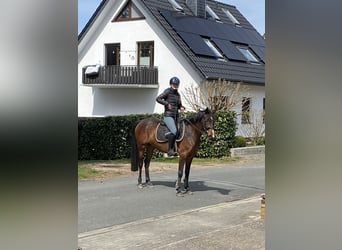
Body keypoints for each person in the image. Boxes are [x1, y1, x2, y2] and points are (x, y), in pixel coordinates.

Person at [156, 76, 185, 156]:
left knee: (179, 131)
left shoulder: (178, 94)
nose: (175, 86)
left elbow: (179, 105)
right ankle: (170, 150)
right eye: (174, 84)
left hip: (176, 116)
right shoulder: (167, 91)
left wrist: (181, 107)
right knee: (174, 131)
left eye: (177, 84)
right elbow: (158, 98)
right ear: (171, 84)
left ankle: (177, 149)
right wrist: (166, 103)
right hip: (168, 116)